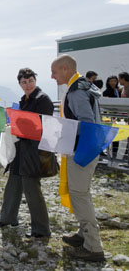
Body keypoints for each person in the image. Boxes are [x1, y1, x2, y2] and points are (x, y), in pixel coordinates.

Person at [51, 54, 105, 262]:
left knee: (80, 195)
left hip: (82, 151)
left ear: (65, 69)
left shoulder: (76, 92)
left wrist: (61, 131)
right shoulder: (83, 86)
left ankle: (93, 247)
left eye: (54, 72)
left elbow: (87, 123)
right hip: (86, 148)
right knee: (81, 194)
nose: (52, 76)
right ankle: (84, 234)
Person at [0, 68, 53, 238]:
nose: (28, 85)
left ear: (35, 80)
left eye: (30, 81)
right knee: (13, 182)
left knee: (31, 187)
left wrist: (20, 127)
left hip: (35, 149)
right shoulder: (24, 99)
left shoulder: (43, 100)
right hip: (21, 146)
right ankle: (7, 218)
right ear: (20, 84)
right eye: (24, 82)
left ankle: (41, 229)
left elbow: (42, 126)